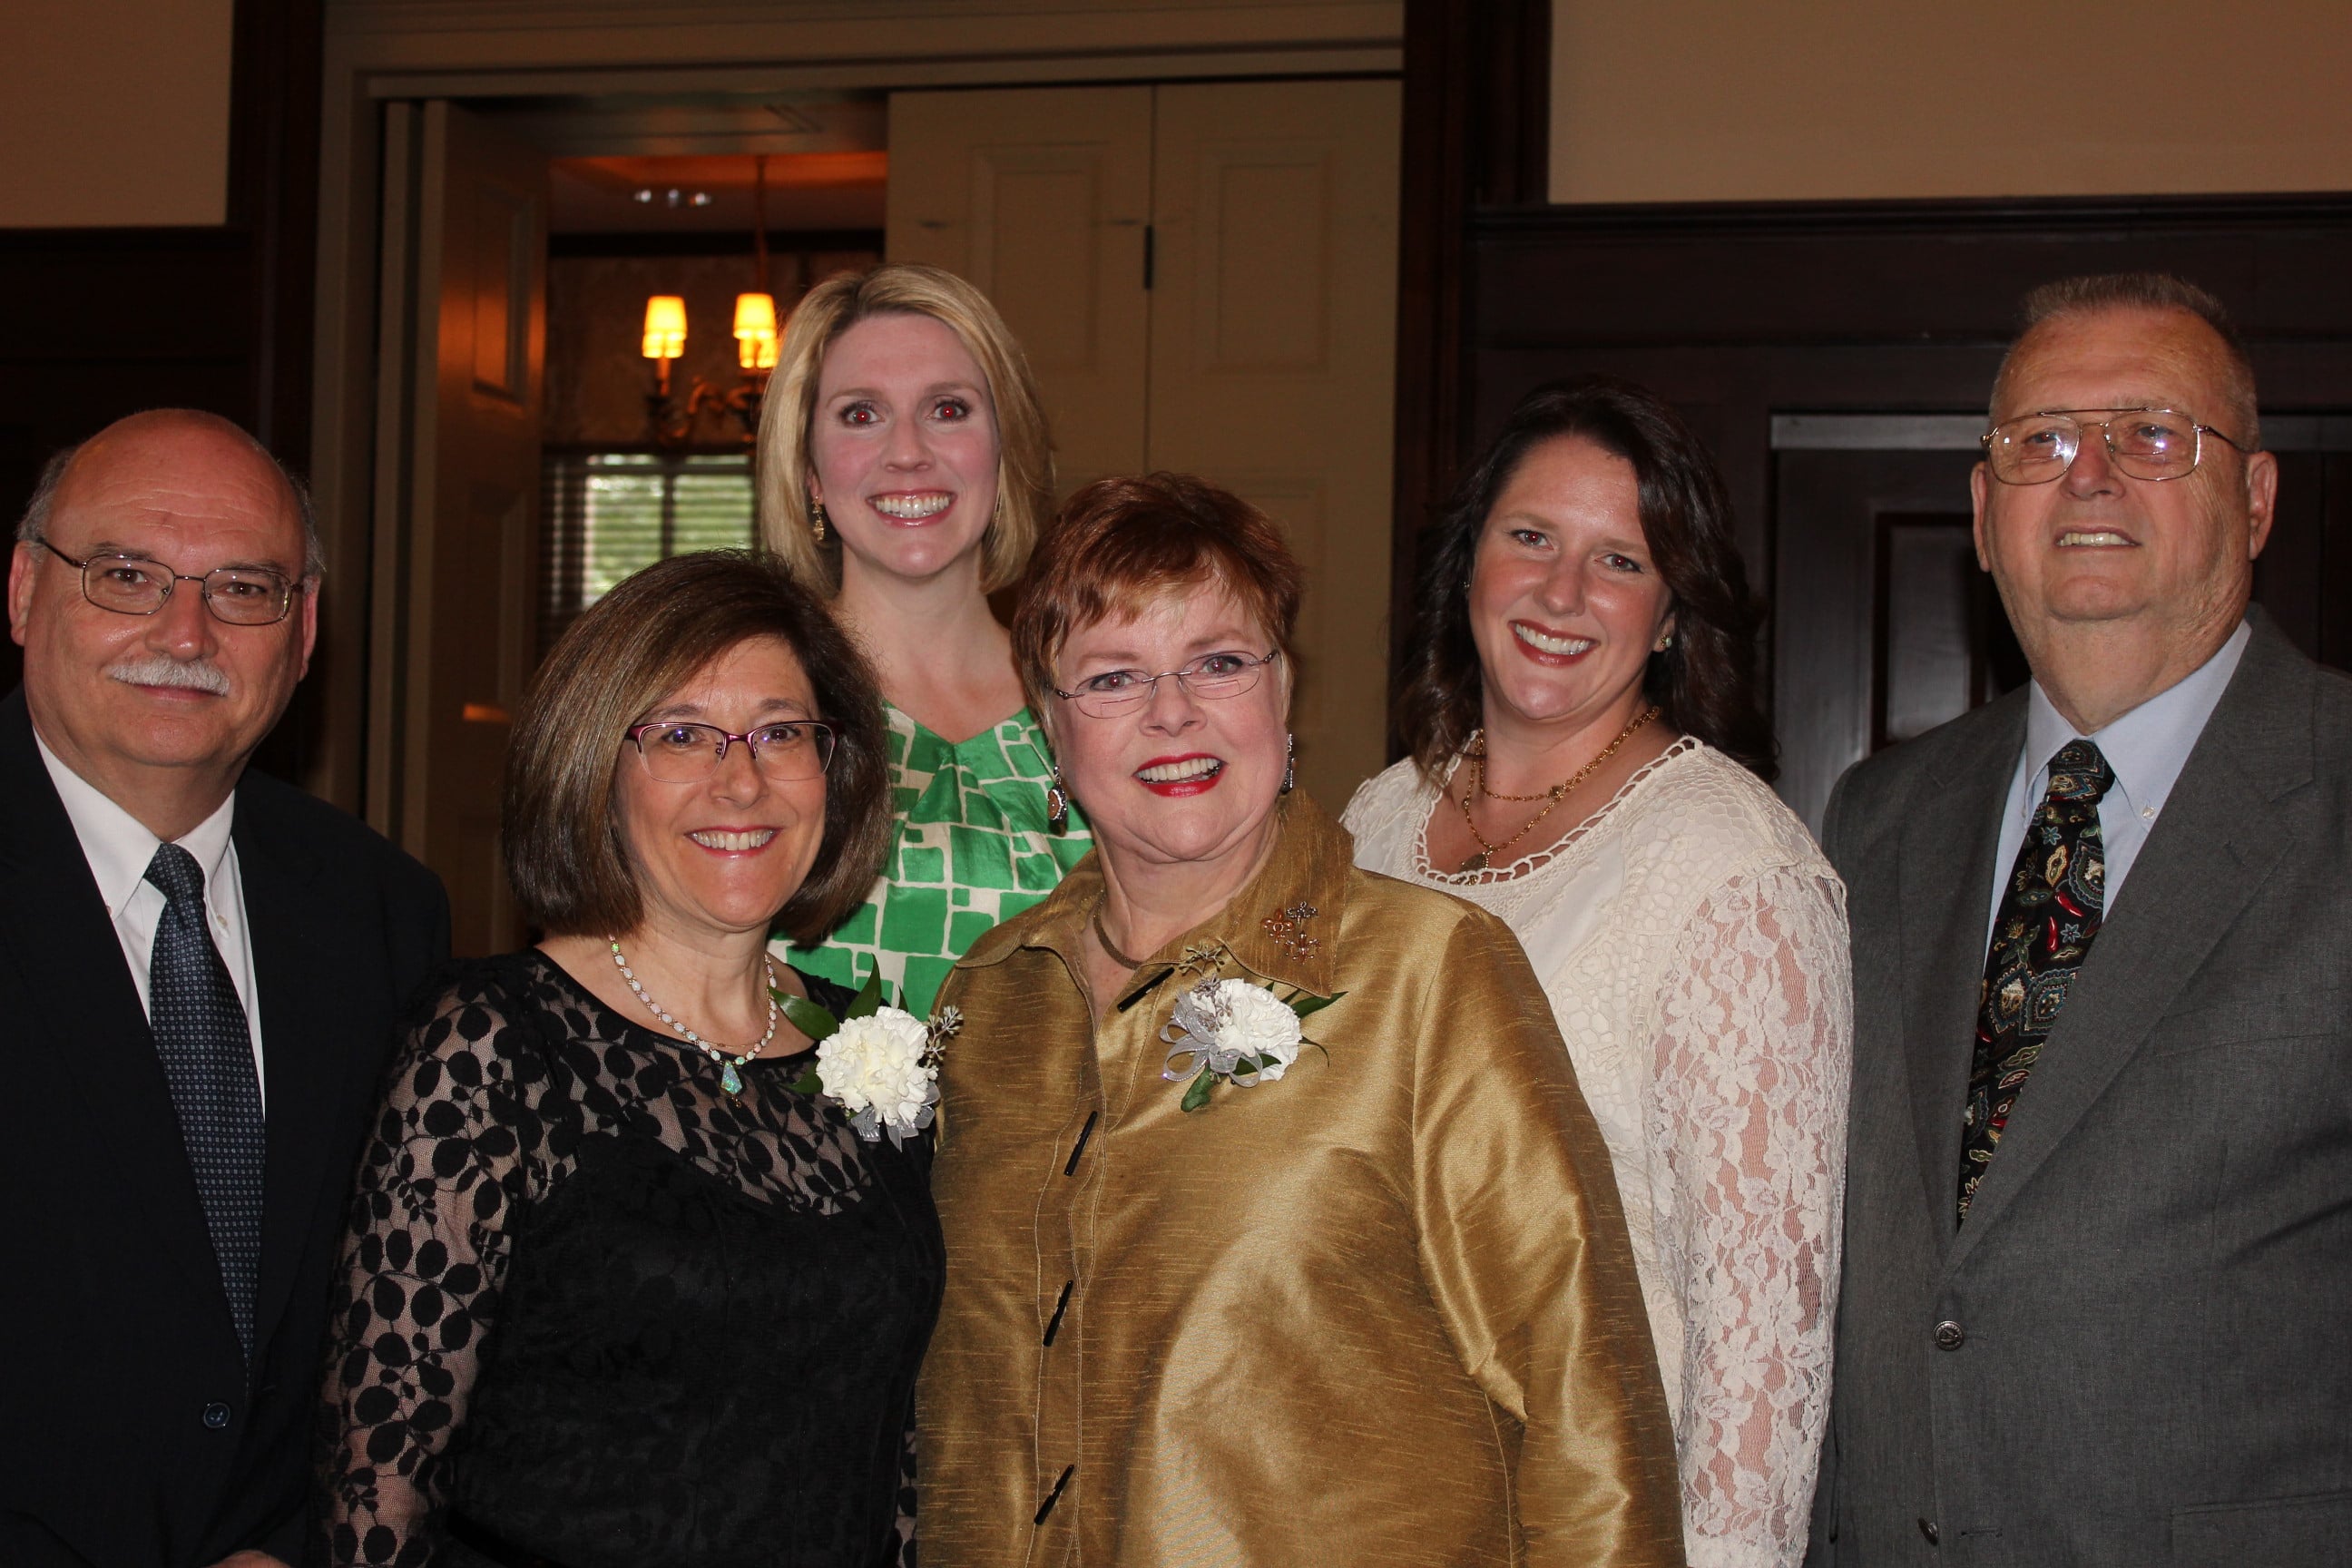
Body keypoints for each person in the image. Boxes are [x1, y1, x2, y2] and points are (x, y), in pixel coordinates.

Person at [919, 472, 1685, 1567]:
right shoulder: (989, 1000)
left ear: (1283, 693)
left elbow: (1582, 1404)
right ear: (1051, 727)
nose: (1172, 713)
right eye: (1114, 676)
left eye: (1219, 663)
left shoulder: (1429, 975)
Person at [1808, 274, 2352, 1565]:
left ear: (2256, 499)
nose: (2090, 474)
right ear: (1984, 516)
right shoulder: (1877, 817)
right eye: (2042, 440)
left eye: (2153, 434)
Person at [319, 552, 942, 1567]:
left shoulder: (870, 1050)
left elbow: (897, 1450)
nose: (741, 781)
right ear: (596, 772)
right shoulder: (493, 1042)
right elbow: (379, 1486)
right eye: (682, 734)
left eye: (781, 732)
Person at [1347, 377, 1852, 1568]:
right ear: (1468, 563)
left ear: (1672, 615)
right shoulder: (1376, 819)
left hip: (1590, 1522)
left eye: (1621, 561)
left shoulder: (1732, 871)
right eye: (1531, 538)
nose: (1562, 592)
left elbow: (1763, 1335)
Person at [0, 411, 448, 1568]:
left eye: (244, 588)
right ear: (24, 591)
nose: (185, 631)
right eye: (126, 575)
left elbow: (409, 1317)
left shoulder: (384, 913)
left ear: (304, 633)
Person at [760, 262, 1089, 1014]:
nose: (907, 451)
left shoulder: (1097, 699)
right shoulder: (750, 708)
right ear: (809, 470)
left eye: (947, 409)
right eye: (860, 414)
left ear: (1005, 448)